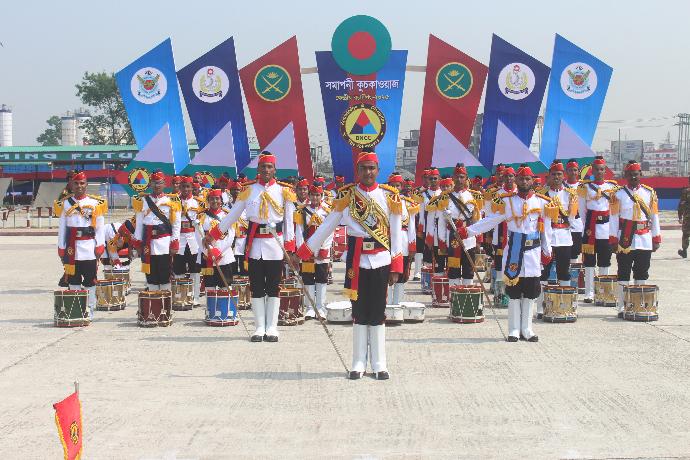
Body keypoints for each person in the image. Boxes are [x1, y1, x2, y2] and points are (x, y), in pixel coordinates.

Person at [296, 150, 403, 380]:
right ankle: (358, 362)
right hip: (357, 261)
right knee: (359, 311)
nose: (368, 172)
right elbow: (327, 226)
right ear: (358, 170)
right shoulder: (347, 197)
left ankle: (379, 363)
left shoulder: (389, 197)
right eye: (363, 168)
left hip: (381, 259)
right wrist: (305, 251)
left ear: (378, 170)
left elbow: (395, 233)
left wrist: (396, 265)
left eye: (371, 168)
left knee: (378, 311)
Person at [203, 152, 296, 343]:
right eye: (263, 167)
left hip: (275, 245)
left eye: (269, 167)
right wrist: (213, 235)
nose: (266, 170)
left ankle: (272, 327)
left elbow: (289, 222)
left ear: (274, 169)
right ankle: (259, 327)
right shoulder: (248, 190)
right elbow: (232, 216)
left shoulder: (284, 191)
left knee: (274, 287)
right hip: (254, 246)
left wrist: (290, 249)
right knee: (257, 287)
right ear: (258, 169)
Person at [456, 165, 552, 342]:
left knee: (531, 291)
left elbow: (546, 229)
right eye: (521, 179)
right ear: (516, 180)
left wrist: (547, 250)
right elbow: (490, 221)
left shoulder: (542, 202)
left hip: (533, 252)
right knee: (514, 291)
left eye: (528, 179)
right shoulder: (506, 201)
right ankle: (514, 329)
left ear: (532, 181)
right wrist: (468, 231)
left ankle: (527, 328)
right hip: (514, 251)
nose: (524, 182)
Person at [609, 160, 661, 318]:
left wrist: (656, 237)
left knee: (642, 272)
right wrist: (613, 239)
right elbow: (614, 218)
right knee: (623, 272)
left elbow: (654, 217)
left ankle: (639, 304)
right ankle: (622, 306)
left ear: (640, 174)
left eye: (636, 174)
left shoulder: (649, 193)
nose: (633, 177)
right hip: (625, 239)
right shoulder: (618, 194)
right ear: (625, 175)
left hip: (644, 238)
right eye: (630, 174)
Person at [56, 171, 107, 319]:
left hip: (89, 247)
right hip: (71, 249)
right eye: (76, 183)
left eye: (82, 183)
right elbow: (62, 227)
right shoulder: (65, 203)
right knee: (73, 280)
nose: (79, 186)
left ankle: (89, 309)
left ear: (86, 184)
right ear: (71, 184)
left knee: (90, 280)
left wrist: (100, 245)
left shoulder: (95, 203)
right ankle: (76, 309)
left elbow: (100, 227)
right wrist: (61, 247)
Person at [537, 160, 579, 318]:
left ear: (563, 176)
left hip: (564, 237)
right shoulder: (542, 194)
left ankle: (565, 306)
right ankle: (541, 307)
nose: (556, 177)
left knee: (564, 272)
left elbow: (574, 218)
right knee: (544, 272)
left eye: (559, 174)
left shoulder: (570, 194)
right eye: (553, 174)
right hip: (547, 238)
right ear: (548, 176)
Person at [131, 170, 181, 292]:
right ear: (150, 184)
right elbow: (139, 224)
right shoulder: (142, 201)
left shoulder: (172, 202)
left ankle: (165, 301)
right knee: (151, 276)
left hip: (164, 242)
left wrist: (175, 242)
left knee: (165, 275)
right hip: (147, 243)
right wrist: (137, 242)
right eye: (154, 182)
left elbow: (176, 224)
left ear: (165, 184)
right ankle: (153, 300)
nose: (157, 185)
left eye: (159, 183)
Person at [578, 156, 617, 303]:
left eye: (602, 169)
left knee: (604, 261)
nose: (599, 172)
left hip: (606, 229)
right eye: (597, 169)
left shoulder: (612, 187)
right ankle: (589, 292)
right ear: (592, 171)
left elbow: (614, 211)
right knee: (589, 262)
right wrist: (585, 227)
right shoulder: (585, 187)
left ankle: (603, 291)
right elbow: (582, 211)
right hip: (590, 228)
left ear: (605, 171)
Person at [435, 164, 481, 287]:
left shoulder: (474, 195)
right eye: (457, 177)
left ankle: (466, 293)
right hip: (452, 236)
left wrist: (479, 239)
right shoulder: (445, 197)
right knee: (453, 269)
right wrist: (442, 241)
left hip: (469, 236)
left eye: (462, 177)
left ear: (466, 178)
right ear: (453, 178)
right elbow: (441, 222)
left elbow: (477, 219)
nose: (459, 180)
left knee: (468, 269)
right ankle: (454, 295)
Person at [295, 184, 333, 319]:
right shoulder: (302, 211)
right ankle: (310, 308)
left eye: (317, 195)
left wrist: (325, 248)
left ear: (321, 196)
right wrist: (302, 250)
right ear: (309, 196)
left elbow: (330, 231)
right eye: (312, 195)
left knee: (322, 279)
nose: (315, 198)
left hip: (322, 250)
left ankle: (320, 307)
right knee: (308, 279)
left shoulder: (327, 211)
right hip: (307, 250)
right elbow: (299, 231)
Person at [386, 172, 419, 303]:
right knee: (386, 273)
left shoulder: (408, 203)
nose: (395, 188)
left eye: (398, 185)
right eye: (392, 185)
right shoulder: (382, 201)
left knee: (401, 274)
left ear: (402, 186)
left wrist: (412, 246)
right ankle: (386, 304)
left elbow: (412, 227)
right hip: (386, 241)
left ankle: (397, 303)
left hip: (403, 242)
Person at [174, 176, 202, 306]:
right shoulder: (174, 202)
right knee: (178, 269)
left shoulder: (198, 203)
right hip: (179, 238)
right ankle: (180, 296)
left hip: (193, 239)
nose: (185, 189)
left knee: (194, 270)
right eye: (183, 186)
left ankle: (195, 297)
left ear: (192, 187)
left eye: (188, 186)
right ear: (180, 187)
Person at [199, 189, 235, 288]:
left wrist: (219, 252)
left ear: (221, 200)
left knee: (226, 287)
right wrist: (209, 252)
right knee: (210, 288)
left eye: (217, 198)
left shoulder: (227, 215)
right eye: (212, 199)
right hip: (207, 255)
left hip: (224, 255)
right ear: (208, 201)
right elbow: (199, 236)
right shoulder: (202, 216)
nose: (214, 201)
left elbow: (231, 236)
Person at [564, 159, 583, 263]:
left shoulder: (583, 186)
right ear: (566, 171)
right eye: (570, 170)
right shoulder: (561, 186)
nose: (573, 172)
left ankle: (574, 272)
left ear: (578, 171)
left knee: (575, 252)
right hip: (564, 223)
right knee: (564, 251)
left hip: (578, 223)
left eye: (575, 170)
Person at [678, 175, 690, 258]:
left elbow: (681, 205)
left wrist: (680, 217)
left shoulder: (686, 191)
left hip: (688, 217)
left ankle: (684, 251)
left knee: (686, 234)